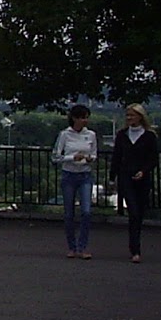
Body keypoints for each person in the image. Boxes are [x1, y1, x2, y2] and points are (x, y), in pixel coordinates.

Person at [110, 103, 159, 264]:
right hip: (126, 176)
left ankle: (136, 242)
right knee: (133, 211)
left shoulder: (149, 136)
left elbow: (153, 159)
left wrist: (143, 171)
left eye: (132, 115)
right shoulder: (122, 135)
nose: (129, 118)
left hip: (142, 178)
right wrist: (112, 177)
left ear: (140, 117)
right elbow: (117, 157)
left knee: (140, 212)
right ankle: (135, 249)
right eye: (128, 115)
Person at [51, 104, 98, 258]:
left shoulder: (91, 135)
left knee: (86, 211)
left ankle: (82, 247)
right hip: (69, 175)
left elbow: (94, 153)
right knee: (69, 213)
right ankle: (72, 246)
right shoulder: (65, 134)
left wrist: (90, 159)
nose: (85, 121)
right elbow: (56, 157)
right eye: (82, 117)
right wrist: (72, 158)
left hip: (85, 174)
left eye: (86, 117)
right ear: (74, 118)